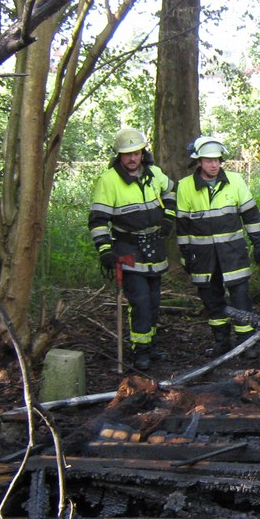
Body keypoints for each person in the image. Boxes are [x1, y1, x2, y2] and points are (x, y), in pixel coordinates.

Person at [88, 127, 176, 371]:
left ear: (142, 153)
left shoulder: (154, 173)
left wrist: (168, 218)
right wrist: (105, 250)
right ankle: (141, 351)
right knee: (140, 302)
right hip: (128, 249)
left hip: (155, 247)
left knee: (154, 301)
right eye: (127, 154)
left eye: (136, 153)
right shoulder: (108, 180)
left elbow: (171, 191)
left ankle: (151, 344)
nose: (132, 158)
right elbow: (98, 220)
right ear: (119, 155)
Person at [175, 136, 260, 360]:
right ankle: (221, 342)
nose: (214, 165)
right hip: (203, 257)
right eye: (208, 160)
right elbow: (182, 225)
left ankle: (246, 343)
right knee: (212, 301)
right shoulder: (185, 186)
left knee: (241, 298)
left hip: (233, 253)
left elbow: (250, 215)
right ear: (198, 162)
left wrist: (257, 243)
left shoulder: (235, 181)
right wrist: (185, 254)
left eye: (217, 160)